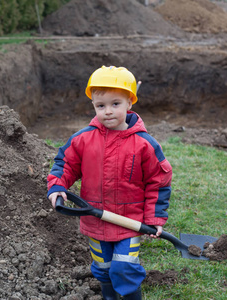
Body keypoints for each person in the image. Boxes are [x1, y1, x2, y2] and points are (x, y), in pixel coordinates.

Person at [47, 66, 172, 300]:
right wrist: (57, 186)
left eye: (116, 104)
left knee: (124, 267)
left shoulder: (144, 144)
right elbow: (65, 164)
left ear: (130, 103)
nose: (107, 111)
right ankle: (108, 296)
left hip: (130, 222)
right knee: (103, 269)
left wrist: (154, 218)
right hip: (94, 219)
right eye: (100, 105)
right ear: (93, 105)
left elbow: (159, 181)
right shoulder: (83, 139)